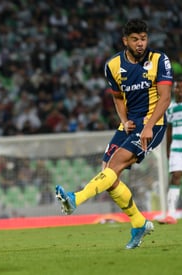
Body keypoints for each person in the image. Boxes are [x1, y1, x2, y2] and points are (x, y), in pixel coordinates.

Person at [55, 19, 173, 249]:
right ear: (125, 41)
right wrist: (124, 120)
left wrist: (148, 126)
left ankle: (75, 199)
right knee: (108, 177)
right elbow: (118, 97)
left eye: (144, 39)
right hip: (130, 125)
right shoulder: (113, 65)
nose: (140, 44)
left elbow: (165, 97)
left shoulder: (160, 60)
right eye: (135, 39)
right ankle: (139, 223)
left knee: (113, 167)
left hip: (154, 124)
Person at [158, 78, 182, 224]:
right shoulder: (171, 107)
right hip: (176, 148)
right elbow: (169, 130)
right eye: (177, 88)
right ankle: (171, 214)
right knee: (176, 176)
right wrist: (167, 149)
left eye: (181, 88)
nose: (179, 90)